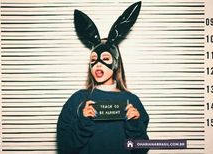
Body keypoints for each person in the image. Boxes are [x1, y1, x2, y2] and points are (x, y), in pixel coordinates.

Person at [57, 1, 149, 154]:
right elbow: (66, 148)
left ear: (115, 63)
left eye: (105, 59)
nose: (98, 64)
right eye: (93, 60)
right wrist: (83, 122)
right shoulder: (76, 101)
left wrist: (134, 125)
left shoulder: (132, 101)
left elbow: (141, 149)